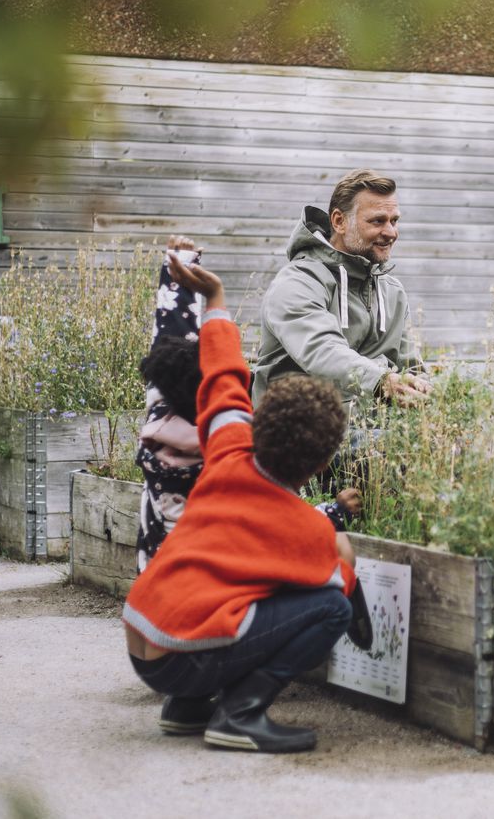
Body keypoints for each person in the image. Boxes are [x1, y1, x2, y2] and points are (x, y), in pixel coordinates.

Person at [123, 251, 362, 754]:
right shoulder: (304, 526)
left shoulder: (229, 447)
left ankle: (186, 707)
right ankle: (241, 714)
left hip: (142, 635)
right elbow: (334, 585)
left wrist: (215, 297)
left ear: (259, 421)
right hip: (179, 652)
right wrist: (345, 554)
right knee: (330, 610)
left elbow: (224, 376)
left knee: (239, 591)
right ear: (321, 466)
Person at [252, 168, 429, 410]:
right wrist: (383, 382)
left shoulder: (391, 291)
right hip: (296, 435)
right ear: (339, 221)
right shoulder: (298, 282)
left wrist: (426, 391)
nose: (391, 232)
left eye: (394, 221)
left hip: (373, 439)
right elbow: (321, 350)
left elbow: (411, 367)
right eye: (378, 221)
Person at [135, 236, 204, 573]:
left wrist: (177, 264)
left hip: (156, 581)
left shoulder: (158, 421)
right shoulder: (224, 438)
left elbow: (168, 334)